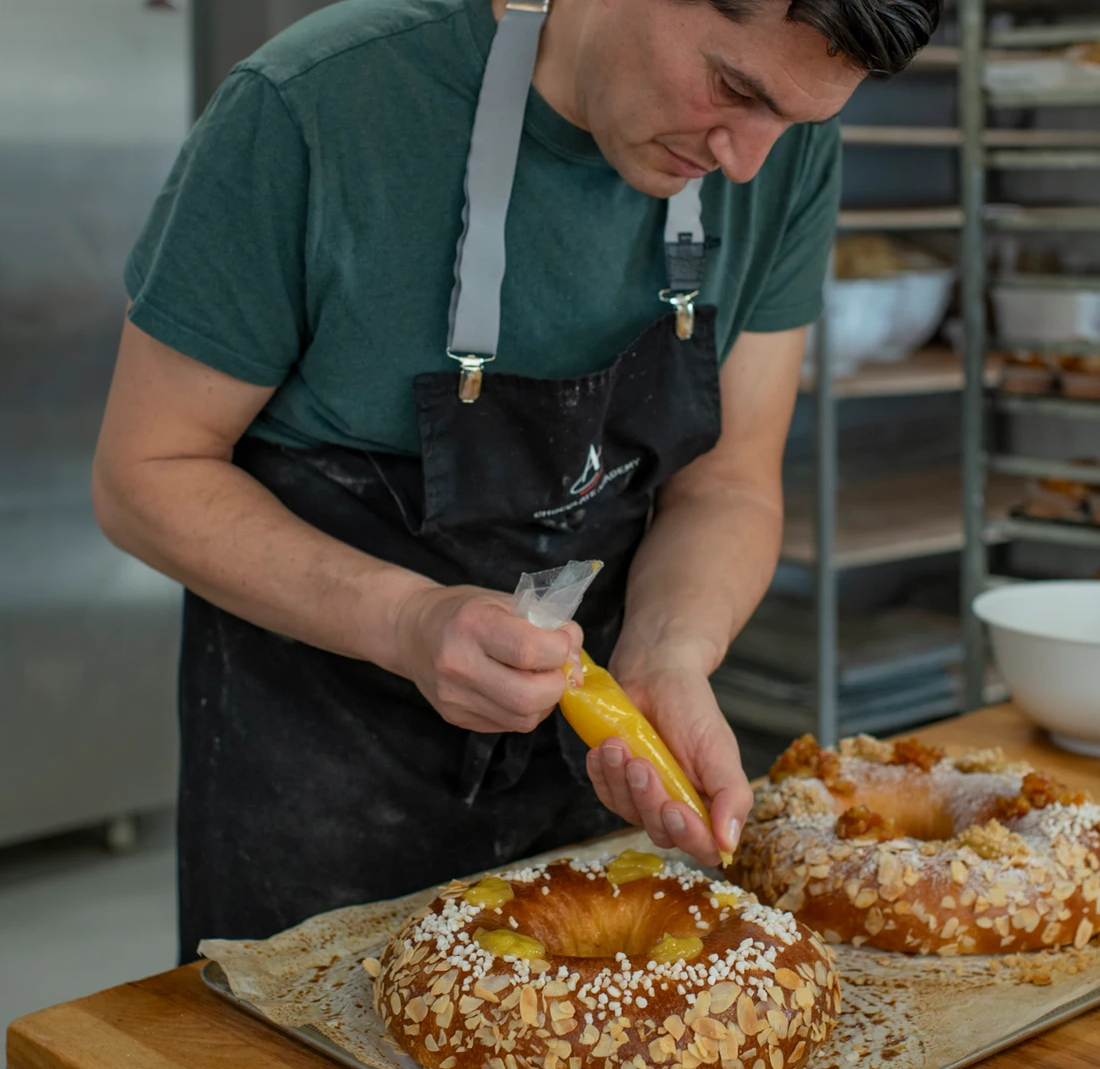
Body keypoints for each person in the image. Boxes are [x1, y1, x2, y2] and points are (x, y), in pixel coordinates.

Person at [93, 0, 938, 962]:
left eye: (793, 121)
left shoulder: (772, 154)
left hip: (578, 786)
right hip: (314, 785)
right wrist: (406, 621)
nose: (745, 159)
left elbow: (731, 482)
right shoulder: (316, 110)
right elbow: (144, 472)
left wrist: (670, 652)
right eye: (734, 88)